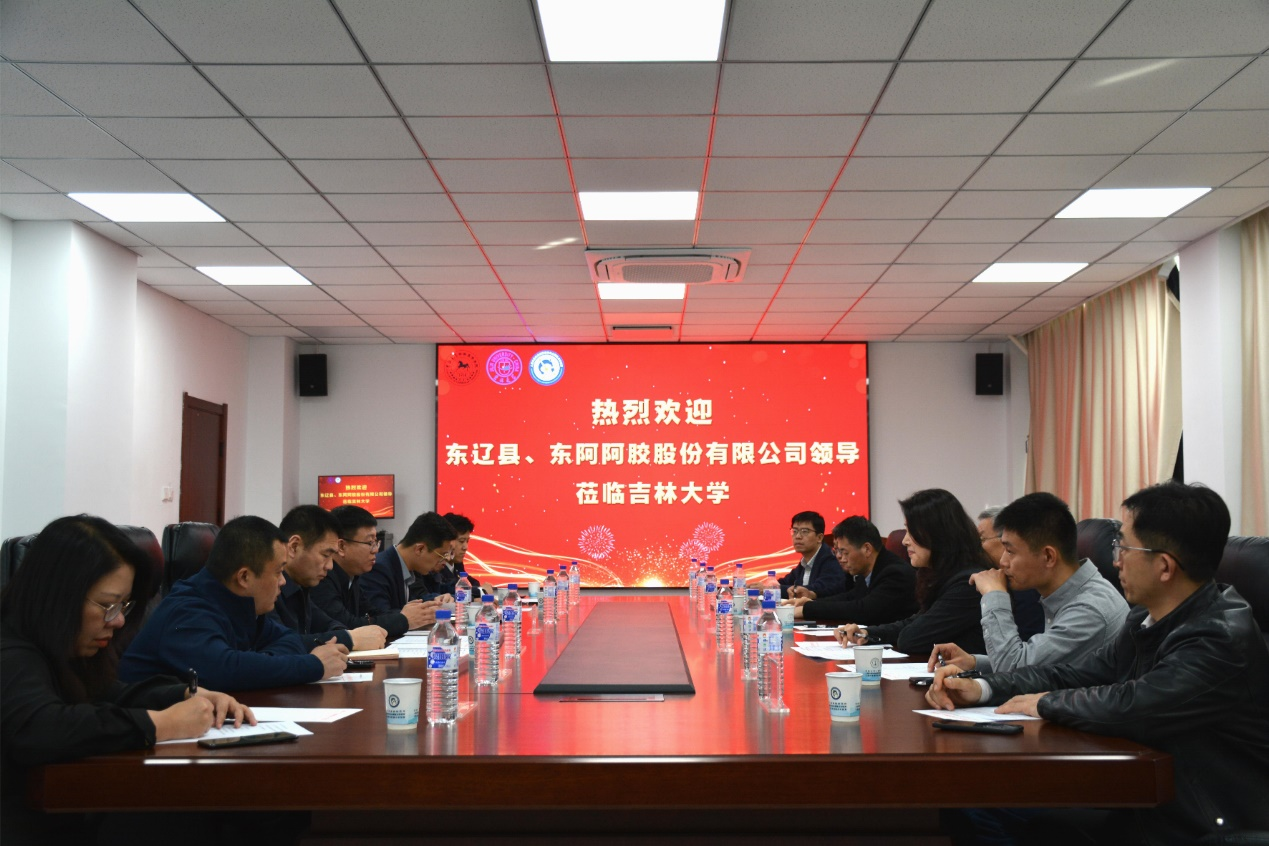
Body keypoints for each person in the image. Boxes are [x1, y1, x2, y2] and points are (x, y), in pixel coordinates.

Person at [928, 482, 1269, 845]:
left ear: (1165, 567)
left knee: (990, 807)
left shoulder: (1219, 638)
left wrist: (1043, 703)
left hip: (1201, 822)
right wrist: (982, 688)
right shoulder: (1144, 619)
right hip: (1148, 797)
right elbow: (1076, 673)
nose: (1116, 560)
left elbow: (1133, 704)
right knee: (978, 802)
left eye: (1124, 547)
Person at [1, 516, 252, 845]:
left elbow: (110, 694)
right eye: (107, 605)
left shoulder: (62, 647)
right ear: (57, 595)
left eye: (123, 605)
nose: (118, 620)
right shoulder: (10, 649)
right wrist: (160, 724)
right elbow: (40, 727)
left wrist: (186, 694)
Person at [119, 516, 348, 692]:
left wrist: (259, 664)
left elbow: (288, 639)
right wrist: (313, 665)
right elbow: (223, 671)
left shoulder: (240, 603)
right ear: (244, 577)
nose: (283, 581)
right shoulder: (188, 609)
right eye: (278, 572)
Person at [927, 492, 1128, 675]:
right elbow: (1036, 665)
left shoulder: (1090, 609)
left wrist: (994, 595)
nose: (1003, 562)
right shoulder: (1067, 593)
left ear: (1048, 556)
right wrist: (974, 663)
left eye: (1010, 551)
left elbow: (1015, 671)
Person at [837, 489, 991, 655]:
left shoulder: (968, 583)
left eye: (911, 531)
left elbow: (911, 638)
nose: (905, 541)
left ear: (938, 533)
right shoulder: (942, 575)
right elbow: (916, 621)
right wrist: (867, 633)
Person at [311, 505, 441, 638]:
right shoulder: (322, 576)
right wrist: (404, 619)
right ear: (342, 547)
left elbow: (373, 613)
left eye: (376, 542)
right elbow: (347, 624)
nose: (376, 550)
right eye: (370, 543)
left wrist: (412, 615)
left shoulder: (352, 577)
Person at [272, 505, 386, 652]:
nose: (330, 566)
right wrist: (350, 638)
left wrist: (346, 635)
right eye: (325, 555)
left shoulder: (301, 586)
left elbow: (329, 624)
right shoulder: (268, 589)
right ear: (294, 546)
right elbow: (282, 644)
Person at [792, 516, 917, 623]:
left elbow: (864, 610)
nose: (839, 557)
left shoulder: (895, 573)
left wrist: (807, 609)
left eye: (844, 552)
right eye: (837, 551)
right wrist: (811, 603)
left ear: (867, 549)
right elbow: (850, 597)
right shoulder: (868, 571)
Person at [361, 511, 457, 616]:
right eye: (441, 555)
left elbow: (418, 600)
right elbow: (381, 616)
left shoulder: (412, 567)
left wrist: (437, 600)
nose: (445, 560)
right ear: (420, 549)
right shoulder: (378, 569)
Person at [981, 505, 1046, 641]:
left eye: (982, 539)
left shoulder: (1026, 585)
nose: (977, 547)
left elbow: (1018, 652)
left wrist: (994, 594)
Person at [780, 511, 846, 600]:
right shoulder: (805, 562)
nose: (798, 536)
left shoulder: (831, 559)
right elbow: (785, 582)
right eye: (794, 531)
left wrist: (771, 589)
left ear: (819, 538)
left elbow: (817, 589)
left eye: (804, 531)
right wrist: (769, 586)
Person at [423, 512, 480, 595]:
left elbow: (470, 582)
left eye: (467, 541)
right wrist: (479, 591)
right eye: (461, 541)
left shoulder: (458, 564)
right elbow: (447, 588)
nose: (465, 547)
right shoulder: (434, 565)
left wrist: (479, 589)